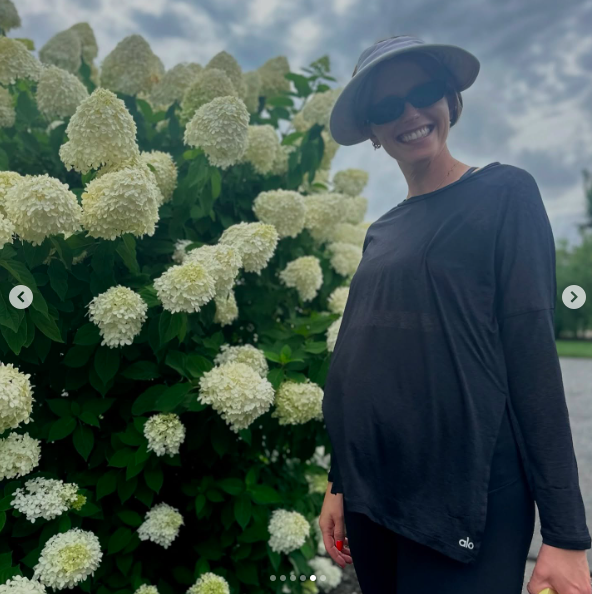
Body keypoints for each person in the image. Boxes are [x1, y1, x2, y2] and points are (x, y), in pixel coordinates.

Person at [319, 35, 592, 594]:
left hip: (464, 501)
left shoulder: (504, 194)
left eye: (423, 92)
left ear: (452, 101)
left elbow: (534, 362)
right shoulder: (384, 231)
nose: (410, 113)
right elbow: (362, 358)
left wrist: (566, 536)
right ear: (372, 130)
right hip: (375, 497)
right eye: (386, 106)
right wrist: (339, 483)